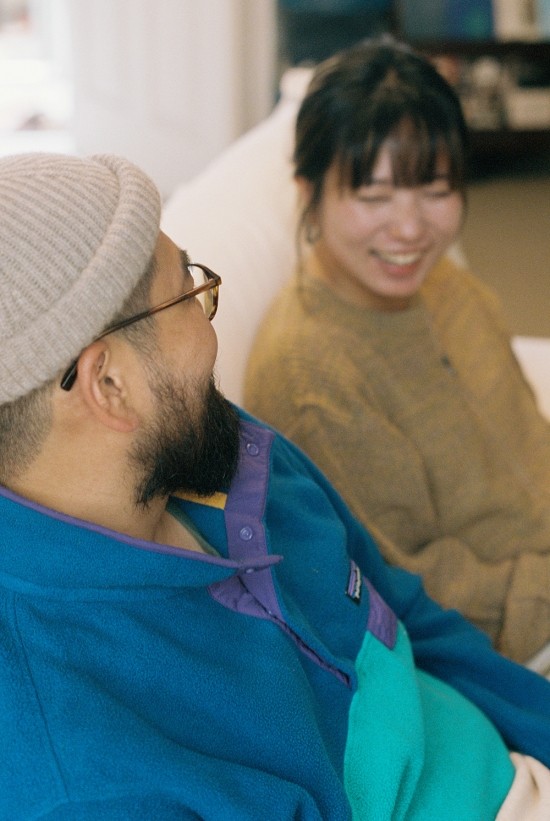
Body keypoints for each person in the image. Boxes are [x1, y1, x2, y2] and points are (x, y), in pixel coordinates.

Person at [2, 153, 550, 821]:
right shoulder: (82, 776)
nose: (209, 321)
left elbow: (407, 614)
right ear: (109, 384)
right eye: (187, 292)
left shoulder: (222, 449)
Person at [244, 36, 550, 668]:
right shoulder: (313, 377)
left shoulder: (439, 283)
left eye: (434, 190)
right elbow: (405, 585)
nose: (411, 229)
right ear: (308, 194)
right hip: (514, 634)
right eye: (374, 196)